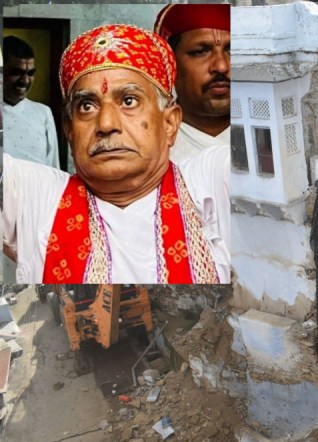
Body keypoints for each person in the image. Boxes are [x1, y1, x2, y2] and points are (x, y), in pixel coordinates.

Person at [2, 24, 230, 284]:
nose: (106, 124)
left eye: (129, 101)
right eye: (86, 106)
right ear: (70, 130)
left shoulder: (210, 181)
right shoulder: (35, 197)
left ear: (169, 123)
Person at [154, 4, 230, 161]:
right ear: (170, 65)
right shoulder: (150, 144)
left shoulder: (276, 134)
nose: (221, 66)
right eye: (200, 52)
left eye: (233, 51)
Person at [2, 35, 60, 168]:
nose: (25, 80)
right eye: (16, 73)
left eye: (30, 73)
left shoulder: (43, 113)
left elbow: (53, 167)